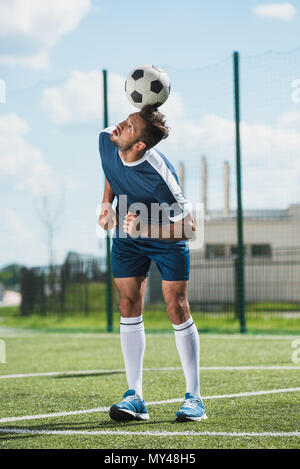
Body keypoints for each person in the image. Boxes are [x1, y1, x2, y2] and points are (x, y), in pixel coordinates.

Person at [98, 104, 206, 422]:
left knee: (176, 307)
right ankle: (135, 397)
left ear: (140, 144)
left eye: (129, 126)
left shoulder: (160, 173)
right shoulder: (107, 139)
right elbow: (109, 168)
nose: (118, 125)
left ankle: (194, 399)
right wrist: (106, 203)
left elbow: (190, 227)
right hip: (128, 231)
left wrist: (145, 228)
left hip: (165, 233)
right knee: (128, 303)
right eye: (125, 119)